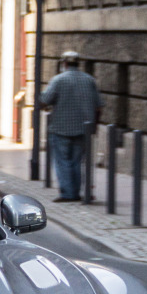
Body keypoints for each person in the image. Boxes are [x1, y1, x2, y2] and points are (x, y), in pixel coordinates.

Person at [40, 50, 103, 203]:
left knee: (62, 161)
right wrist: (95, 125)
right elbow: (99, 106)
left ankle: (69, 193)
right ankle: (76, 191)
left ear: (64, 63)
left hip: (61, 127)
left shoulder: (58, 80)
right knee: (76, 161)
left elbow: (45, 100)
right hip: (83, 128)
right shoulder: (89, 80)